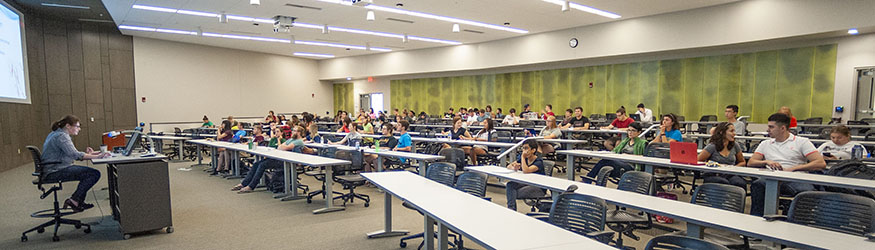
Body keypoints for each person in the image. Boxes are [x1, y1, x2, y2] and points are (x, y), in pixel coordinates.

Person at [747, 113, 826, 216]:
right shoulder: (765, 144)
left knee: (806, 191)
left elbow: (820, 163)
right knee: (757, 185)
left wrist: (794, 169)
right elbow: (751, 162)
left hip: (795, 178)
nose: (768, 130)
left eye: (771, 127)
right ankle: (757, 219)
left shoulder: (802, 142)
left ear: (783, 128)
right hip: (772, 177)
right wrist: (766, 162)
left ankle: (795, 222)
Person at [40, 115, 109, 212]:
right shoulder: (62, 136)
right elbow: (75, 155)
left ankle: (78, 202)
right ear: (68, 126)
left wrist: (90, 154)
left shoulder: (55, 133)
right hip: (55, 171)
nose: (79, 129)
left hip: (53, 168)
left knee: (87, 173)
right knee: (93, 174)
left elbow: (69, 153)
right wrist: (97, 156)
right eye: (77, 126)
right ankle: (75, 200)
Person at [232, 125, 309, 193]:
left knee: (262, 165)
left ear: (299, 133)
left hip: (288, 162)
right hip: (281, 158)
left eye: (294, 131)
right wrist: (283, 147)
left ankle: (251, 186)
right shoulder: (291, 140)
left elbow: (286, 147)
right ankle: (243, 183)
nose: (292, 132)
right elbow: (280, 147)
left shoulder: (299, 141)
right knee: (256, 164)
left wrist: (283, 147)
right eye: (293, 130)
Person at [582, 122, 647, 183]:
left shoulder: (643, 143)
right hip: (620, 162)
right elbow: (615, 151)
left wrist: (627, 156)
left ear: (639, 132)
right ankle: (592, 180)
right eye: (629, 130)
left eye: (633, 130)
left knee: (606, 162)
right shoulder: (625, 142)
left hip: (631, 166)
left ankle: (588, 178)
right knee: (604, 162)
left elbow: (645, 157)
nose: (630, 132)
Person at [697, 122, 747, 190]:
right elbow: (698, 160)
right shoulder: (712, 146)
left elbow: (742, 162)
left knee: (740, 183)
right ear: (722, 132)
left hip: (730, 174)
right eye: (731, 131)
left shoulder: (735, 145)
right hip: (714, 174)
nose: (734, 133)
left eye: (734, 131)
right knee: (723, 182)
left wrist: (733, 168)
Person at [505, 140, 546, 211]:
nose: (524, 151)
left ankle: (511, 209)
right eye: (523, 148)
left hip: (538, 186)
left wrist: (523, 158)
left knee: (514, 193)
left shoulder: (539, 162)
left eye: (526, 148)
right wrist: (514, 167)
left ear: (533, 150)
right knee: (510, 185)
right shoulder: (525, 159)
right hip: (526, 183)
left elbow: (526, 170)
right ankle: (511, 209)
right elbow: (509, 166)